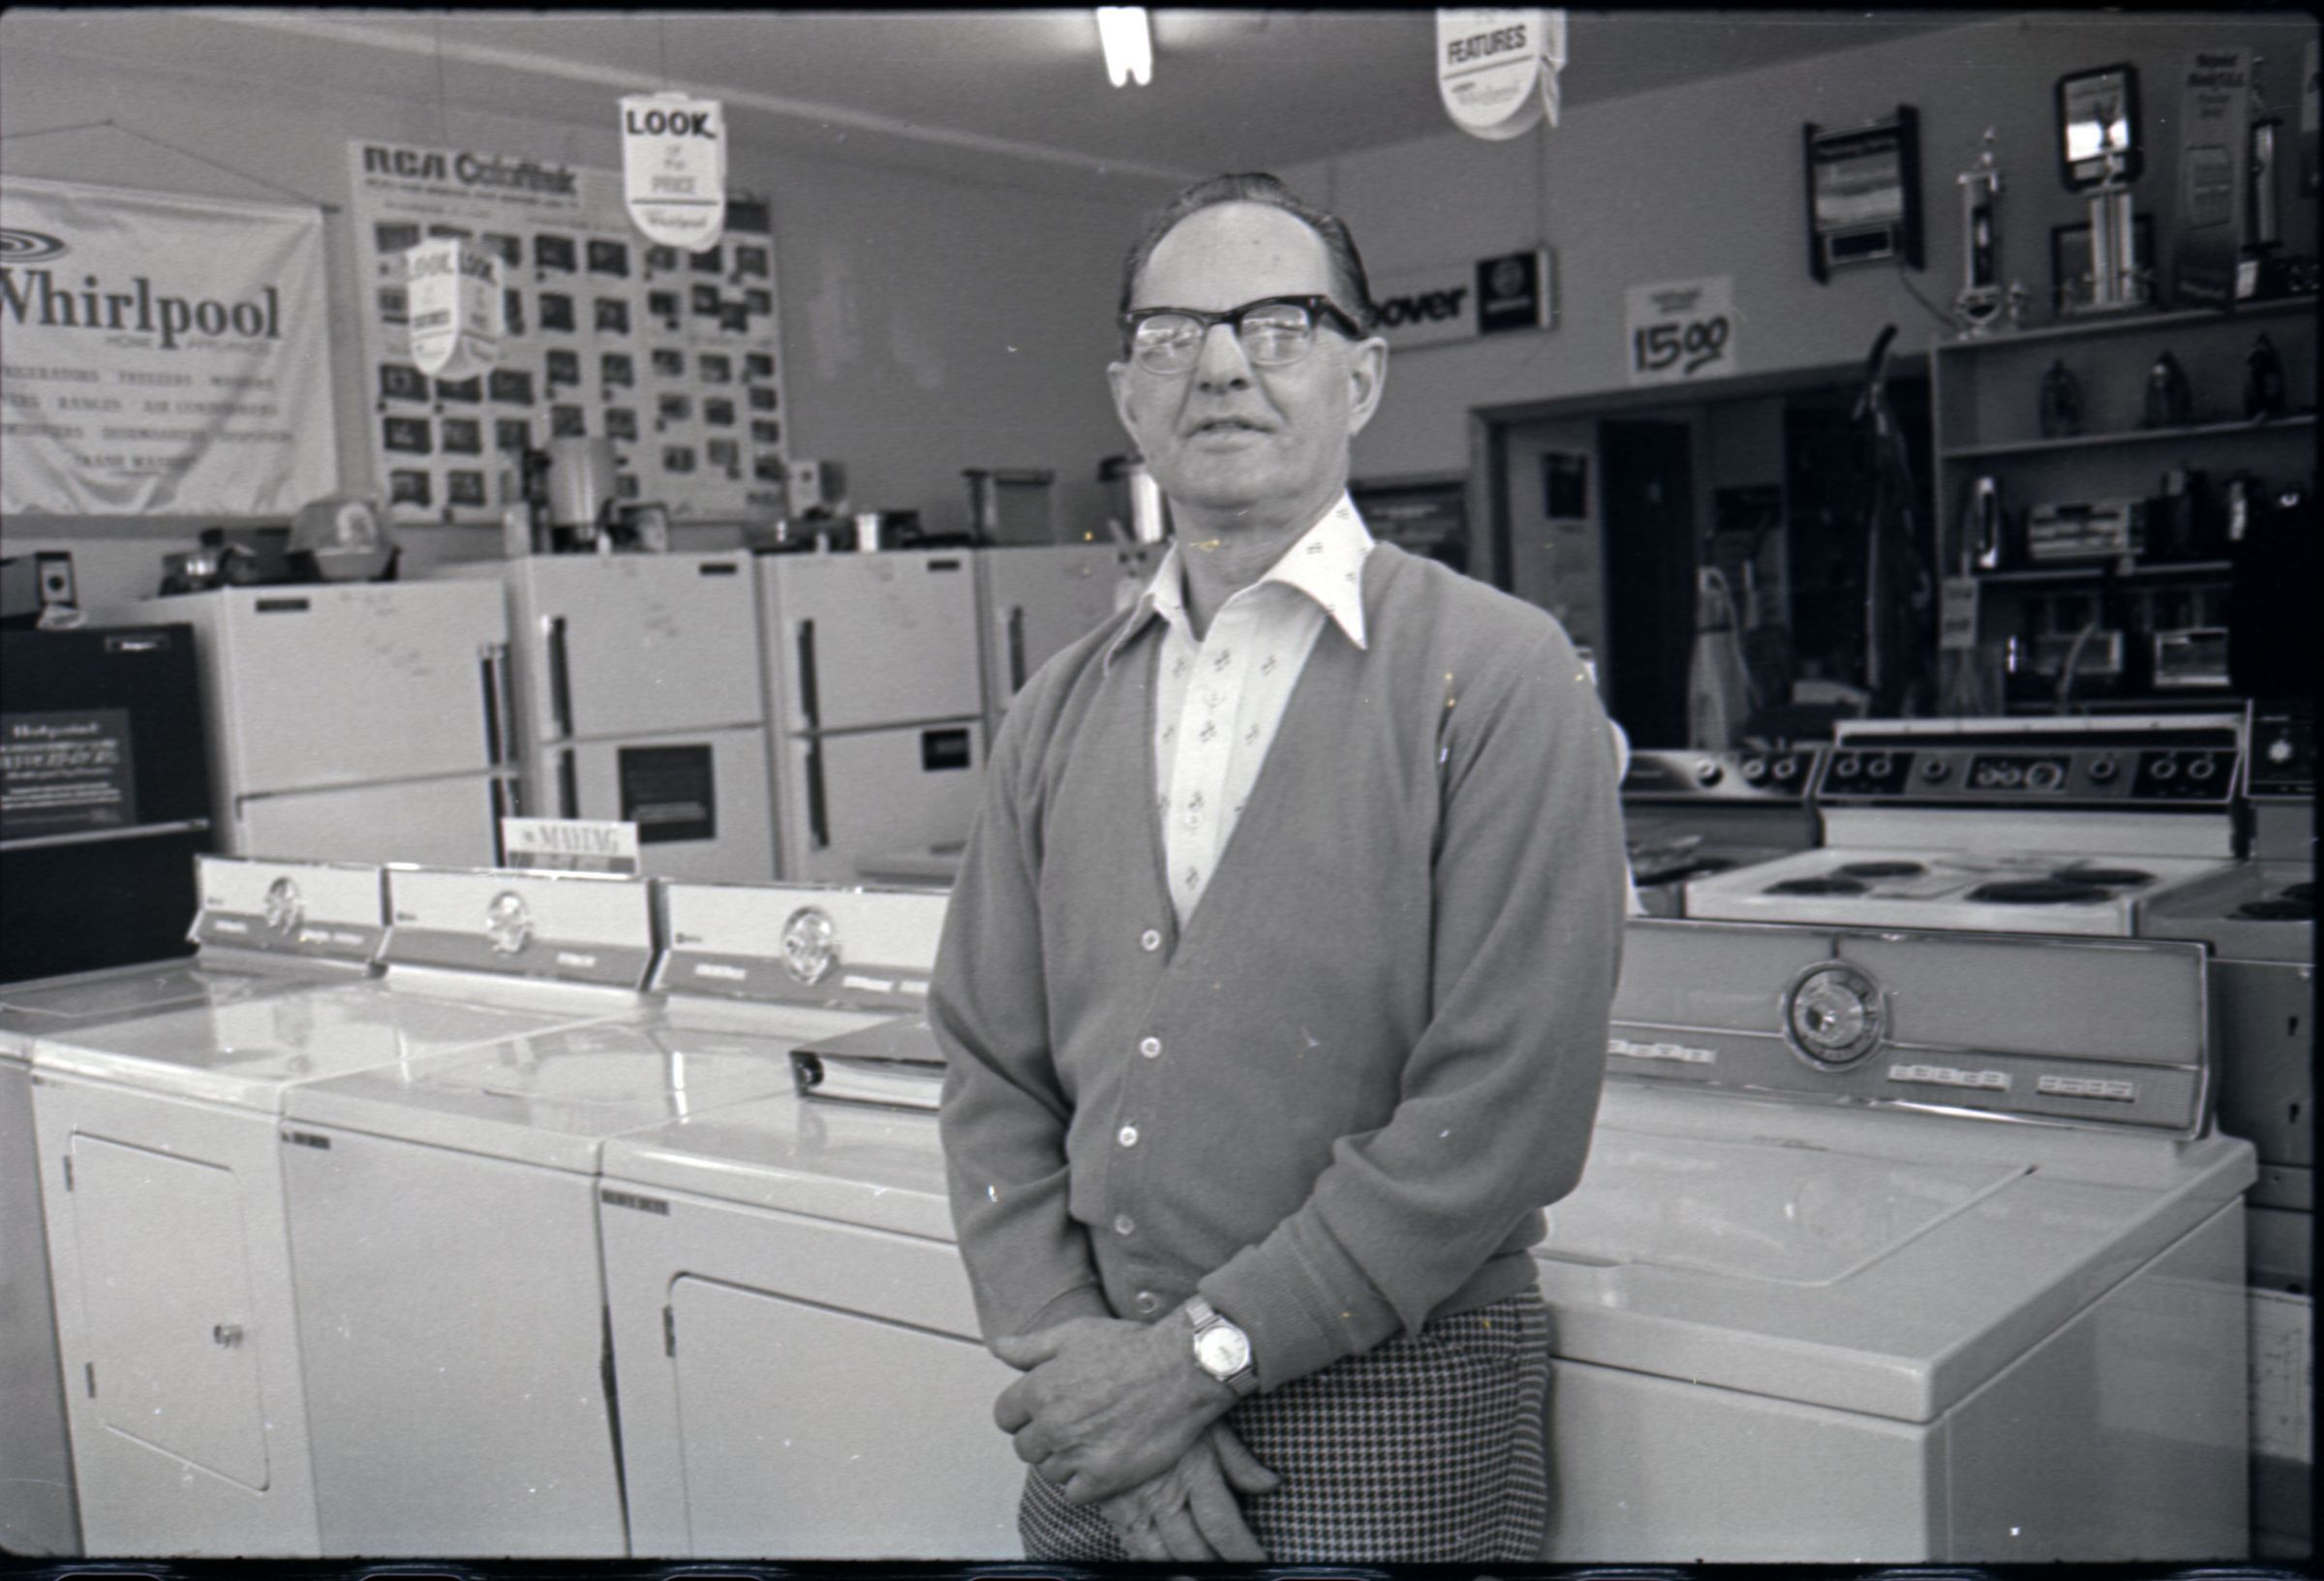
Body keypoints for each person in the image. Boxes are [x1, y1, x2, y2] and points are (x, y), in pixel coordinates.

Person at [931, 171, 1628, 1563]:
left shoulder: (1501, 672)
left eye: (1280, 325)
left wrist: (1195, 1363)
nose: (1224, 366)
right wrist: (1083, 1355)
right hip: (1099, 1410)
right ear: (1129, 397)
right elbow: (990, 1066)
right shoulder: (1057, 707)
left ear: (1361, 378)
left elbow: (1507, 1107)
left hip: (1396, 1390)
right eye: (1174, 335)